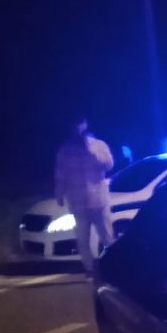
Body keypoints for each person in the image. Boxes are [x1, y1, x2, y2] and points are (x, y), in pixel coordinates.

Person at [54, 115, 114, 277]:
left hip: (99, 200)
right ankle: (90, 269)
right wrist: (59, 194)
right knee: (82, 239)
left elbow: (109, 165)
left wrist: (94, 154)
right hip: (77, 202)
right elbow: (60, 175)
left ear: (85, 124)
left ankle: (114, 266)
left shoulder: (99, 145)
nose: (77, 127)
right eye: (74, 124)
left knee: (107, 237)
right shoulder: (65, 150)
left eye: (79, 123)